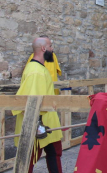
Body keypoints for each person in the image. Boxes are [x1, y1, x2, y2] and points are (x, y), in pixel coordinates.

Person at [13, 37, 63, 173]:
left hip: (46, 122)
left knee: (53, 153)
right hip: (40, 124)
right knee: (28, 158)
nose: (52, 49)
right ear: (43, 48)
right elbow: (31, 101)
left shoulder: (37, 68)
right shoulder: (36, 72)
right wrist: (36, 125)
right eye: (50, 46)